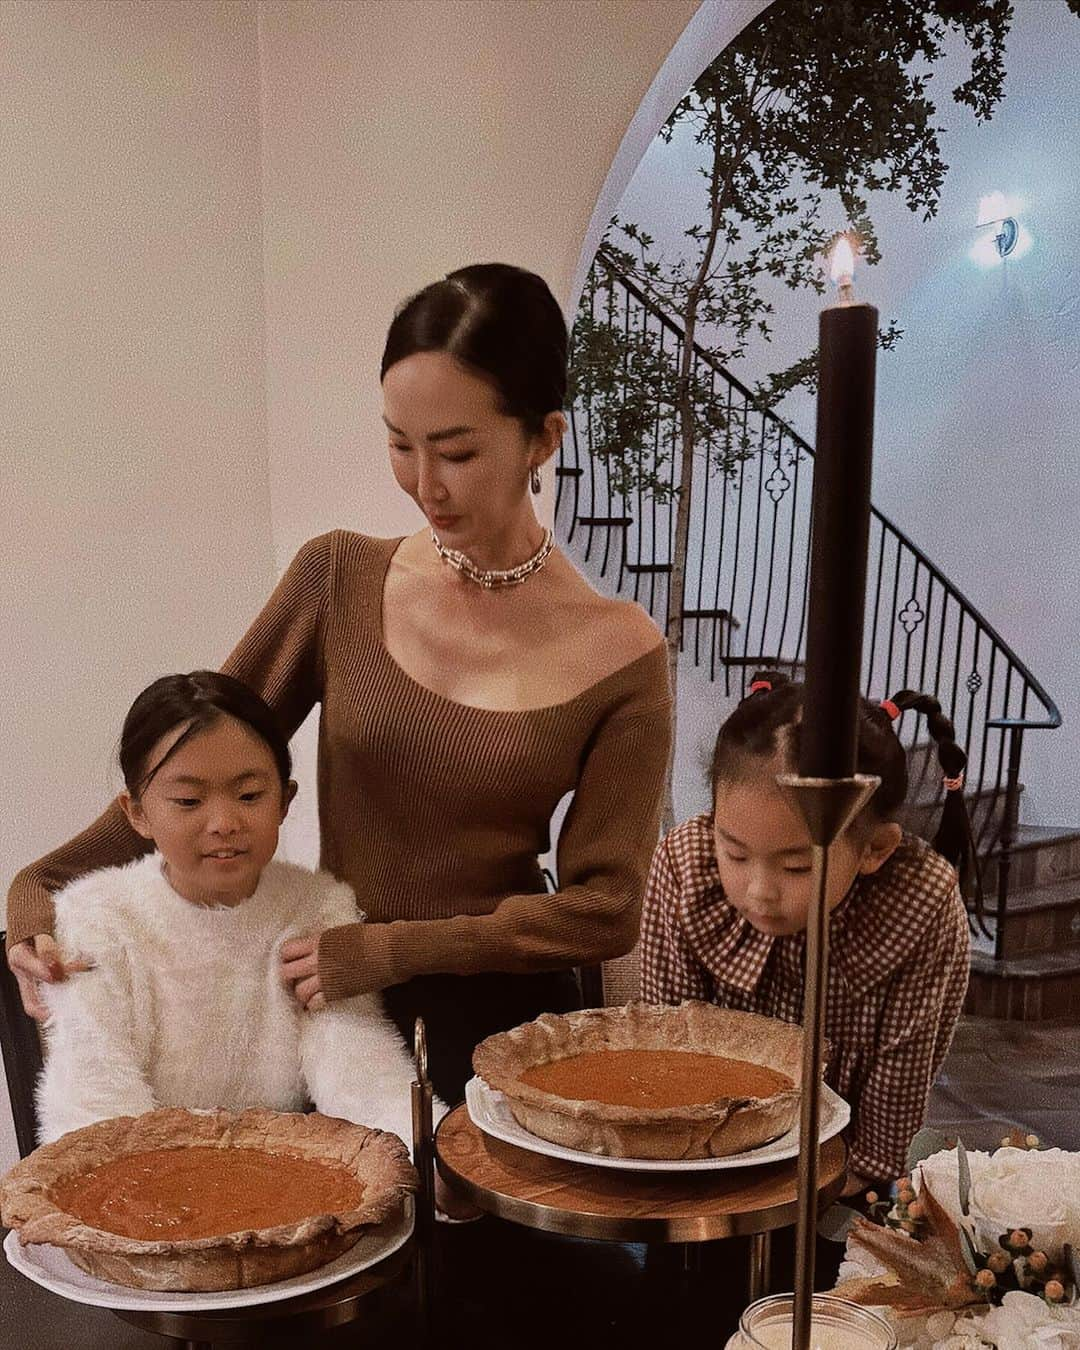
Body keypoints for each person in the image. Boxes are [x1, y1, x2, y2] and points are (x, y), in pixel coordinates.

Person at [7, 262, 672, 1107]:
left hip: (510, 1033)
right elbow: (193, 759)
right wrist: (41, 886)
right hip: (335, 1010)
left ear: (543, 438)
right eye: (400, 444)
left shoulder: (619, 649)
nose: (424, 485)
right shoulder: (338, 578)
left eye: (458, 451)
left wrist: (395, 948)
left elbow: (605, 910)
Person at [35, 670, 439, 1148]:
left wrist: (430, 1155)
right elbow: (92, 1100)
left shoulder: (316, 907)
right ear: (137, 812)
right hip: (144, 1188)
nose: (225, 823)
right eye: (188, 801)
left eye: (249, 796)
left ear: (285, 801)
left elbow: (359, 1071)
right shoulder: (97, 919)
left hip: (279, 1179)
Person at [639, 671, 971, 1191]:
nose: (759, 891)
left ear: (874, 849)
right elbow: (671, 1052)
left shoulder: (919, 903)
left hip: (843, 1176)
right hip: (699, 1170)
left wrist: (843, 1188)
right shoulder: (686, 866)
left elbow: (895, 1094)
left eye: (796, 867)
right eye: (736, 853)